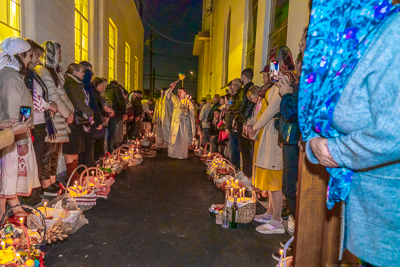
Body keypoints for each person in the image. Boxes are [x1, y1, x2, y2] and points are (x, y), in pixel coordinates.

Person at [302, 1, 400, 265]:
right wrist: (315, 140)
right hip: (378, 219)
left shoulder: (395, 32)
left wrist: (334, 150)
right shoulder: (367, 34)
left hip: (390, 225)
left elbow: (394, 132)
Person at [250, 47, 293, 235]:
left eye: (275, 63)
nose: (272, 68)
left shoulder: (285, 79)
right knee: (270, 175)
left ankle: (277, 221)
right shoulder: (276, 83)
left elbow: (273, 108)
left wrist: (255, 126)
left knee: (275, 178)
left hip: (275, 134)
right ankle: (270, 212)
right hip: (269, 134)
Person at [0, 37, 40, 217]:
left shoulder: (13, 74)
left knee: (9, 177)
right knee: (7, 176)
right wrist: (21, 139)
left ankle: (12, 208)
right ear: (20, 55)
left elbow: (22, 108)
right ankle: (4, 217)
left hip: (16, 134)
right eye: (29, 55)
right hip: (12, 137)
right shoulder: (9, 76)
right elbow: (14, 110)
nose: (31, 59)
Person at [36, 40, 74, 189]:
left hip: (59, 116)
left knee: (55, 153)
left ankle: (52, 180)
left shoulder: (55, 72)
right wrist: (66, 113)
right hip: (51, 117)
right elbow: (53, 95)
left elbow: (62, 93)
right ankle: (46, 183)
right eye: (58, 53)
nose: (59, 56)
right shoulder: (43, 71)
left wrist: (70, 110)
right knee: (49, 152)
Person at [24, 39, 59, 199]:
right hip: (33, 122)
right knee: (33, 159)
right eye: (35, 56)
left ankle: (34, 192)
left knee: (37, 158)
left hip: (37, 121)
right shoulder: (26, 75)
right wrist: (49, 105)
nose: (38, 60)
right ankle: (31, 194)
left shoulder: (32, 73)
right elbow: (30, 99)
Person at [63, 63, 94, 181]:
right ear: (75, 72)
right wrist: (91, 113)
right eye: (82, 71)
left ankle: (74, 173)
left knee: (76, 147)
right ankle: (71, 175)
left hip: (77, 120)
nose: (84, 74)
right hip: (73, 119)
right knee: (71, 148)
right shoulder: (71, 84)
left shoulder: (76, 84)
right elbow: (78, 102)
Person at [79, 61, 103, 167]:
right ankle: (87, 170)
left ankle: (87, 169)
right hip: (86, 119)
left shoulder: (84, 85)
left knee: (87, 146)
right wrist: (98, 121)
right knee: (87, 146)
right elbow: (93, 105)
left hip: (85, 119)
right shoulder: (87, 86)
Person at [162, 83, 195, 159]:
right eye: (178, 92)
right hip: (175, 123)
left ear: (185, 93)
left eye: (181, 92)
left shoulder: (188, 102)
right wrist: (171, 88)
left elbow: (191, 113)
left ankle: (181, 154)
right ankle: (173, 154)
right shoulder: (175, 100)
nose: (179, 94)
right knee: (174, 138)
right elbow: (168, 96)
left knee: (182, 140)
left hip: (184, 124)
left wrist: (188, 110)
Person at [237, 68, 255, 180]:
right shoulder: (252, 88)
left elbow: (242, 106)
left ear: (243, 77)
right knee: (246, 149)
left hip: (243, 121)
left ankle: (247, 174)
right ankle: (246, 172)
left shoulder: (245, 90)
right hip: (248, 121)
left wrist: (233, 109)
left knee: (244, 148)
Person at [92, 77, 114, 160]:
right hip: (97, 120)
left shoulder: (100, 94)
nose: (104, 88)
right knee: (98, 141)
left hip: (101, 119)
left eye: (105, 86)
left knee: (101, 140)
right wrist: (108, 113)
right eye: (103, 85)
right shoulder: (95, 94)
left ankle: (100, 159)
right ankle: (97, 160)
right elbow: (100, 107)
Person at [225, 78, 243, 170]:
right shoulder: (233, 97)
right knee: (233, 148)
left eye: (232, 85)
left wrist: (228, 126)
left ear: (236, 86)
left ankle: (235, 168)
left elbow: (232, 111)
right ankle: (234, 166)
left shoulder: (237, 97)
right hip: (232, 127)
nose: (230, 88)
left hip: (235, 126)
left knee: (235, 149)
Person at [104, 81, 126, 152]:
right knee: (112, 134)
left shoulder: (106, 89)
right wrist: (124, 112)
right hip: (115, 114)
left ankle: (106, 149)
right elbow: (120, 101)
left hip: (106, 114)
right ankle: (111, 150)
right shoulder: (116, 89)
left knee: (105, 133)